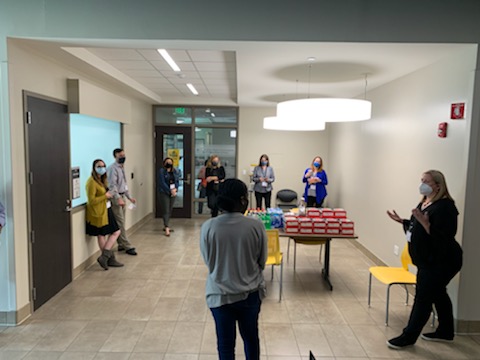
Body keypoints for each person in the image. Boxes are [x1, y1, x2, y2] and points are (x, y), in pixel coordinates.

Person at [386, 170, 463, 349]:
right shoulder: (425, 202)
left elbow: (445, 237)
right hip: (426, 260)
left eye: (426, 181)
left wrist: (428, 226)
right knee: (438, 294)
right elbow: (418, 226)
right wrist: (403, 221)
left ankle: (408, 337)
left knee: (423, 297)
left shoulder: (446, 207)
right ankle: (445, 331)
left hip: (442, 261)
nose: (422, 184)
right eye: (421, 180)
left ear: (438, 185)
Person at [200, 178, 267, 359]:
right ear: (242, 200)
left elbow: (209, 261)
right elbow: (262, 261)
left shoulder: (208, 227)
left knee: (225, 345)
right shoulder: (255, 226)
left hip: (220, 296)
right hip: (250, 294)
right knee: (251, 339)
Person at [86, 159, 124, 270]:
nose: (101, 168)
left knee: (114, 232)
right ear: (94, 168)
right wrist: (105, 196)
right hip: (98, 212)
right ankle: (107, 258)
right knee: (104, 234)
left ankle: (105, 257)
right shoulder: (91, 182)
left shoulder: (102, 180)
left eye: (103, 166)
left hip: (106, 209)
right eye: (99, 166)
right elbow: (91, 200)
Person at [107, 148, 137, 255]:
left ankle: (120, 244)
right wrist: (118, 198)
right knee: (120, 222)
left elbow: (124, 185)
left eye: (123, 155)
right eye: (120, 155)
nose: (123, 157)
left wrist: (129, 197)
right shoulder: (112, 168)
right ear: (115, 156)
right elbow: (112, 186)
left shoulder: (121, 168)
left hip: (122, 196)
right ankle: (127, 245)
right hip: (116, 198)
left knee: (122, 221)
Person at [157, 157, 180, 236]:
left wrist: (175, 189)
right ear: (164, 163)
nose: (169, 164)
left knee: (170, 209)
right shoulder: (161, 171)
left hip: (173, 192)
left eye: (170, 162)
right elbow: (162, 183)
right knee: (166, 210)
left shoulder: (175, 171)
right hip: (164, 192)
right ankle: (167, 227)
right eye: (167, 162)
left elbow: (177, 181)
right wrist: (169, 190)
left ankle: (166, 224)